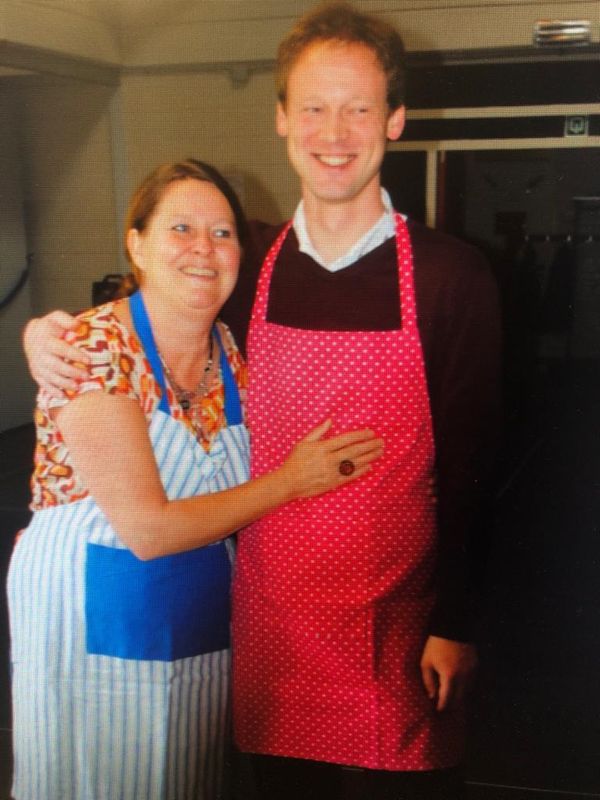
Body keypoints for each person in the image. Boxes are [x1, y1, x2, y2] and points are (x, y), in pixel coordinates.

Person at [23, 4, 502, 799]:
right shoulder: (248, 265)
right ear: (281, 118)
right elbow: (145, 317)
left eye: (358, 108)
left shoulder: (452, 275)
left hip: (397, 629)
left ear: (395, 120)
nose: (334, 133)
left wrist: (456, 622)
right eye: (312, 107)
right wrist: (46, 333)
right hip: (271, 630)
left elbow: (475, 463)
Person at [9, 158, 383, 800]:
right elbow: (149, 530)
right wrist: (293, 481)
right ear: (137, 245)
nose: (203, 249)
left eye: (222, 233)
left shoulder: (232, 355)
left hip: (196, 614)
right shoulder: (95, 346)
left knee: (187, 778)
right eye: (180, 228)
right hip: (85, 615)